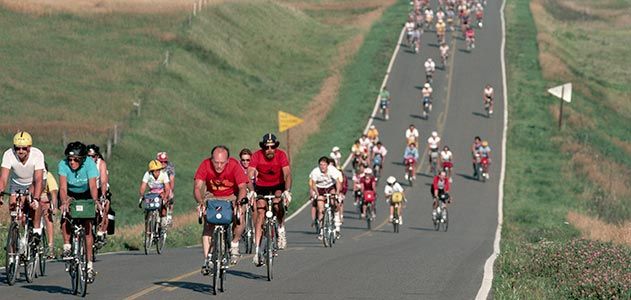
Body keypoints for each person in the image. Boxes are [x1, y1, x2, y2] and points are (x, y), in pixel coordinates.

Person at [193, 146, 248, 273]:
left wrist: (239, 203)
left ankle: (234, 243)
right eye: (216, 162)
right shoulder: (205, 165)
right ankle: (207, 260)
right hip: (212, 196)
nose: (218, 166)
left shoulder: (234, 165)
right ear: (211, 160)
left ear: (227, 161)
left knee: (239, 215)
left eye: (222, 163)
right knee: (208, 224)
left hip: (231, 196)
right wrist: (200, 202)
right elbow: (197, 187)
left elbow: (242, 188)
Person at [248, 133, 292, 265]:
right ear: (263, 147)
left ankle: (280, 228)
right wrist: (251, 191)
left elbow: (287, 174)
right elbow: (249, 174)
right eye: (267, 147)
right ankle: (257, 251)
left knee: (278, 205)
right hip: (261, 187)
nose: (269, 150)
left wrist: (287, 191)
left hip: (278, 185)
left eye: (272, 147)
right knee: (261, 212)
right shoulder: (256, 155)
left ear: (275, 147)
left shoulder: (281, 155)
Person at [58, 141, 99, 280]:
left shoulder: (89, 164)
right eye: (70, 159)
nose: (72, 162)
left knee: (88, 227)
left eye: (76, 160)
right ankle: (67, 246)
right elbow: (62, 187)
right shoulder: (62, 165)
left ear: (82, 160)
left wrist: (95, 201)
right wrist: (64, 201)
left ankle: (89, 265)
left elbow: (93, 186)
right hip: (69, 193)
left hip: (86, 193)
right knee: (65, 219)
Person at [0, 131, 45, 246]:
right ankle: (16, 241)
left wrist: (36, 198)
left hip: (33, 182)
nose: (20, 151)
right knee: (14, 212)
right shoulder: (8, 154)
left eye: (24, 148)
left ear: (29, 148)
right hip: (16, 183)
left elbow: (39, 179)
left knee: (33, 204)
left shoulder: (37, 154)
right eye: (17, 148)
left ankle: (36, 229)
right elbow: (3, 178)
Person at [309, 157, 343, 239]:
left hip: (330, 187)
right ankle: (321, 230)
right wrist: (316, 194)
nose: (322, 167)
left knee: (334, 202)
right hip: (319, 188)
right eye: (321, 165)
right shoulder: (315, 172)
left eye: (324, 165)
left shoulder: (332, 170)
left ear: (327, 165)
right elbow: (313, 184)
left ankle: (337, 224)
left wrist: (337, 192)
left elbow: (338, 182)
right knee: (320, 209)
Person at [138, 159, 172, 231]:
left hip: (162, 192)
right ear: (151, 171)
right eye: (154, 171)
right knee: (148, 207)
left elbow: (167, 188)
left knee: (163, 206)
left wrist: (165, 197)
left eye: (158, 170)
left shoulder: (164, 174)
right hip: (152, 193)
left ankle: (163, 223)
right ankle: (148, 225)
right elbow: (143, 186)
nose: (157, 172)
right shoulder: (147, 175)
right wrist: (141, 196)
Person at [87, 144, 110, 243]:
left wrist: (103, 195)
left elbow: (104, 181)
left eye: (93, 156)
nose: (90, 158)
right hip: (87, 188)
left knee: (104, 205)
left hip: (99, 187)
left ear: (97, 156)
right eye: (88, 156)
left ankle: (101, 230)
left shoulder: (101, 164)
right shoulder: (83, 163)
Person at [41, 163, 58, 258]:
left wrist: (54, 207)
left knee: (48, 216)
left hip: (45, 200)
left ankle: (50, 247)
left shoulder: (48, 176)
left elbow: (53, 192)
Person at [156, 151, 175, 224]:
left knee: (170, 197)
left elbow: (172, 180)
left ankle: (169, 214)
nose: (163, 163)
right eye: (161, 162)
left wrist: (170, 190)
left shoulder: (170, 167)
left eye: (165, 162)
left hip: (166, 186)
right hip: (157, 186)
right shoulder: (155, 167)